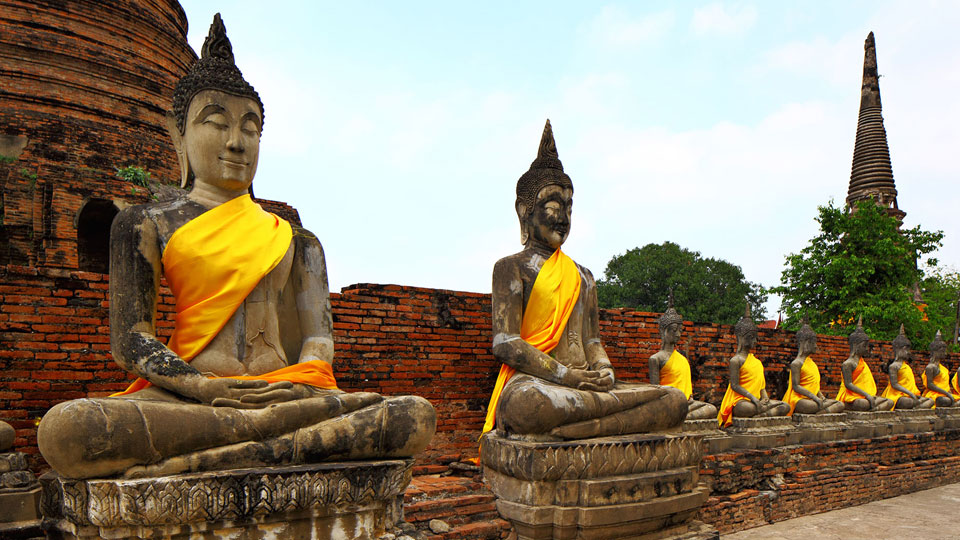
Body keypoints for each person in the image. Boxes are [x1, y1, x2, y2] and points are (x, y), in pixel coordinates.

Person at [37, 14, 435, 480]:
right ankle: (272, 442)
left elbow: (318, 338)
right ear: (177, 134)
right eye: (216, 122)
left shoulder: (295, 238)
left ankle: (229, 450)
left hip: (289, 392)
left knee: (412, 415)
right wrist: (203, 388)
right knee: (69, 430)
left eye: (251, 126)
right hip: (193, 397)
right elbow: (131, 340)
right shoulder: (145, 222)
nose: (236, 141)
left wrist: (296, 381)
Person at [482, 120, 686, 441]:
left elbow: (592, 342)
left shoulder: (584, 276)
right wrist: (565, 376)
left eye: (569, 206)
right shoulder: (512, 268)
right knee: (527, 406)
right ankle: (592, 427)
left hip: (587, 387)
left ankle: (581, 429)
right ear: (525, 211)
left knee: (673, 400)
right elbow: (506, 344)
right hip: (540, 384)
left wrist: (604, 370)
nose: (563, 217)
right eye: (553, 205)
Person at [717, 304, 790, 427]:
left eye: (755, 338)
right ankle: (763, 413)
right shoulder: (736, 360)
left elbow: (761, 386)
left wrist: (764, 397)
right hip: (740, 401)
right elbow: (735, 386)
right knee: (746, 408)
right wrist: (752, 398)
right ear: (742, 338)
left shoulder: (757, 362)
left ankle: (760, 413)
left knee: (785, 406)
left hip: (757, 401)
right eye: (752, 338)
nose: (755, 341)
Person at [648, 293, 717, 420]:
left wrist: (689, 398)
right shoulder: (656, 359)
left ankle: (681, 416)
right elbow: (655, 392)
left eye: (680, 330)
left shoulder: (682, 358)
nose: (678, 334)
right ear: (663, 331)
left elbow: (687, 388)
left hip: (687, 404)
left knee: (711, 409)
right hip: (669, 403)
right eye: (674, 330)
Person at [781, 319, 844, 415]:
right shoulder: (796, 363)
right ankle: (822, 411)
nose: (816, 346)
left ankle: (821, 412)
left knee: (840, 404)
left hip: (814, 399)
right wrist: (814, 397)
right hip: (800, 399)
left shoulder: (812, 363)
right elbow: (796, 386)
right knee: (813, 405)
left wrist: (821, 397)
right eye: (813, 343)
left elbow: (814, 385)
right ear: (805, 343)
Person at [835, 317, 893, 411]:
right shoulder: (848, 364)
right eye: (864, 346)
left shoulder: (863, 363)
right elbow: (848, 384)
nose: (866, 349)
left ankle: (875, 408)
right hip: (851, 397)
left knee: (889, 402)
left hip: (866, 396)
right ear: (855, 345)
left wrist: (868, 396)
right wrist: (866, 395)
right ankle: (873, 406)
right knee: (861, 403)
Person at [880, 324, 934, 409]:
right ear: (898, 349)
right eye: (906, 349)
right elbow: (895, 385)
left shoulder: (907, 367)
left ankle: (916, 405)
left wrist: (912, 394)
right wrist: (910, 393)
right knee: (908, 402)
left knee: (930, 401)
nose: (908, 352)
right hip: (897, 395)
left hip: (909, 394)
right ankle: (916, 405)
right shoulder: (894, 366)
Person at [921, 330, 956, 408]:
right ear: (936, 351)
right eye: (943, 351)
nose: (945, 353)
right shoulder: (930, 367)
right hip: (934, 394)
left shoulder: (942, 368)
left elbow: (945, 384)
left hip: (944, 394)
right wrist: (946, 394)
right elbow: (930, 385)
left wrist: (949, 393)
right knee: (944, 400)